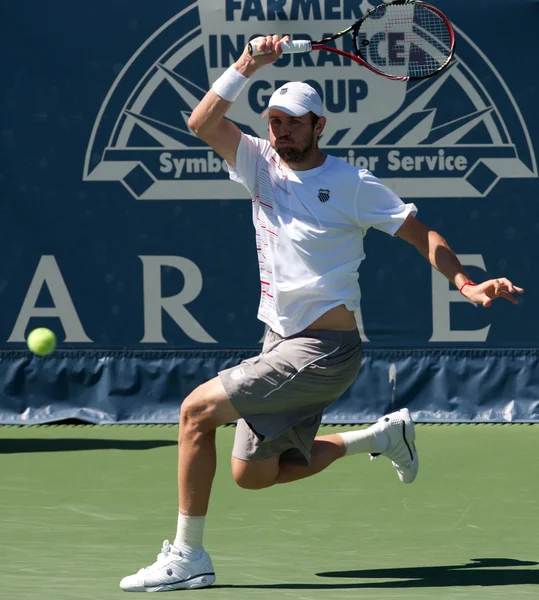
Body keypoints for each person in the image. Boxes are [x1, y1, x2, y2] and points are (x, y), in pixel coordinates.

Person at [120, 35, 524, 593]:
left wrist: (465, 282)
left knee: (195, 414)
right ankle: (380, 438)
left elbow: (420, 233)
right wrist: (248, 64)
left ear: (319, 126)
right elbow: (201, 124)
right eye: (274, 120)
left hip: (324, 351)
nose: (281, 131)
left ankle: (188, 557)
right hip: (278, 341)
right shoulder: (258, 164)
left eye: (293, 122)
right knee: (252, 476)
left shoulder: (352, 184)